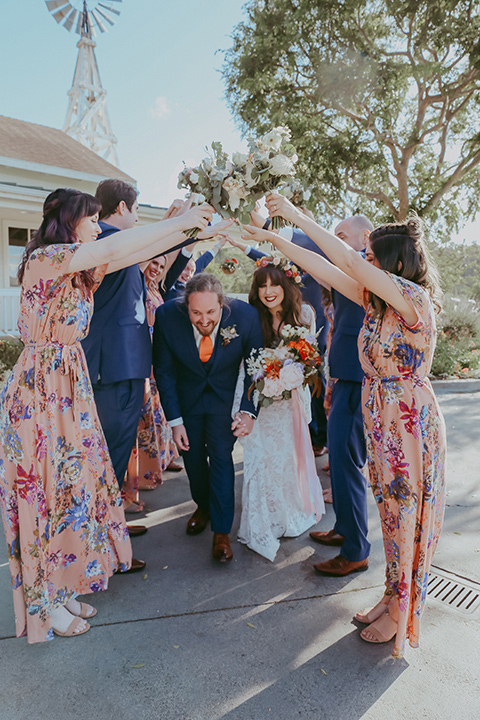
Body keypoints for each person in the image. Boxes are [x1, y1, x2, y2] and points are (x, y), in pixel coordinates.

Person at [0, 188, 213, 642]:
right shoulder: (47, 258)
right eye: (92, 219)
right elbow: (116, 245)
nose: (99, 226)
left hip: (68, 388)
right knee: (50, 494)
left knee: (75, 489)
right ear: (69, 219)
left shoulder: (80, 268)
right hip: (42, 393)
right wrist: (182, 218)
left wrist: (193, 228)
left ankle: (64, 585)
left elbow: (131, 250)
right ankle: (47, 603)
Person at [243, 193, 446, 658]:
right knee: (391, 512)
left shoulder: (412, 299)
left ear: (391, 263)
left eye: (371, 257)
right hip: (382, 419)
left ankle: (403, 608)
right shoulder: (377, 300)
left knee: (405, 517)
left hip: (408, 425)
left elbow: (347, 262)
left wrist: (296, 216)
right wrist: (273, 237)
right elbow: (323, 268)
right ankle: (394, 593)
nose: (363, 264)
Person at [81, 180, 231, 559]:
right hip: (112, 368)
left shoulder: (126, 246)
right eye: (134, 210)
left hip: (127, 367)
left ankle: (110, 527)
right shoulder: (109, 242)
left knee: (115, 453)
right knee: (109, 455)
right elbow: (156, 248)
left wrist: (196, 231)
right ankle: (100, 546)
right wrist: (179, 223)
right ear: (120, 209)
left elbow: (165, 261)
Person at [152, 273, 263, 562]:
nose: (203, 320)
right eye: (196, 312)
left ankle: (222, 533)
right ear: (185, 305)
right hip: (187, 401)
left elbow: (256, 367)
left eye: (211, 312)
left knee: (222, 458)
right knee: (192, 460)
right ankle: (203, 506)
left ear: (222, 304)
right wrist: (174, 421)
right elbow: (164, 372)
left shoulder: (246, 316)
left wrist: (248, 410)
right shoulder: (166, 316)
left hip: (224, 401)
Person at [236, 259, 325, 561]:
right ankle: (263, 521)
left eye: (274, 284)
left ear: (286, 285)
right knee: (261, 458)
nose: (268, 291)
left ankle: (288, 513)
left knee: (287, 458)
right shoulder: (250, 316)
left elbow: (311, 358)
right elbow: (245, 363)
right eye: (262, 286)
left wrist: (294, 375)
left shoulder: (306, 314)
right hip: (262, 402)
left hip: (290, 403)